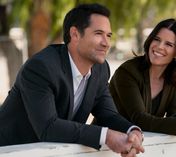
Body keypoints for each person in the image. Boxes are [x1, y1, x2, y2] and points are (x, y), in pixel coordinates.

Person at [0, 3, 144, 156]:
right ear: (75, 34)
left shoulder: (100, 70)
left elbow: (108, 115)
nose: (106, 43)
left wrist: (132, 131)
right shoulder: (42, 67)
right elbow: (48, 127)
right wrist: (106, 136)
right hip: (10, 150)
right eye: (98, 33)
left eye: (108, 35)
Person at [109, 18, 176, 139]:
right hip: (104, 147)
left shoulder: (174, 76)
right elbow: (139, 119)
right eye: (156, 39)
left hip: (140, 145)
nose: (159, 47)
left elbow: (175, 113)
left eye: (169, 44)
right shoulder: (127, 72)